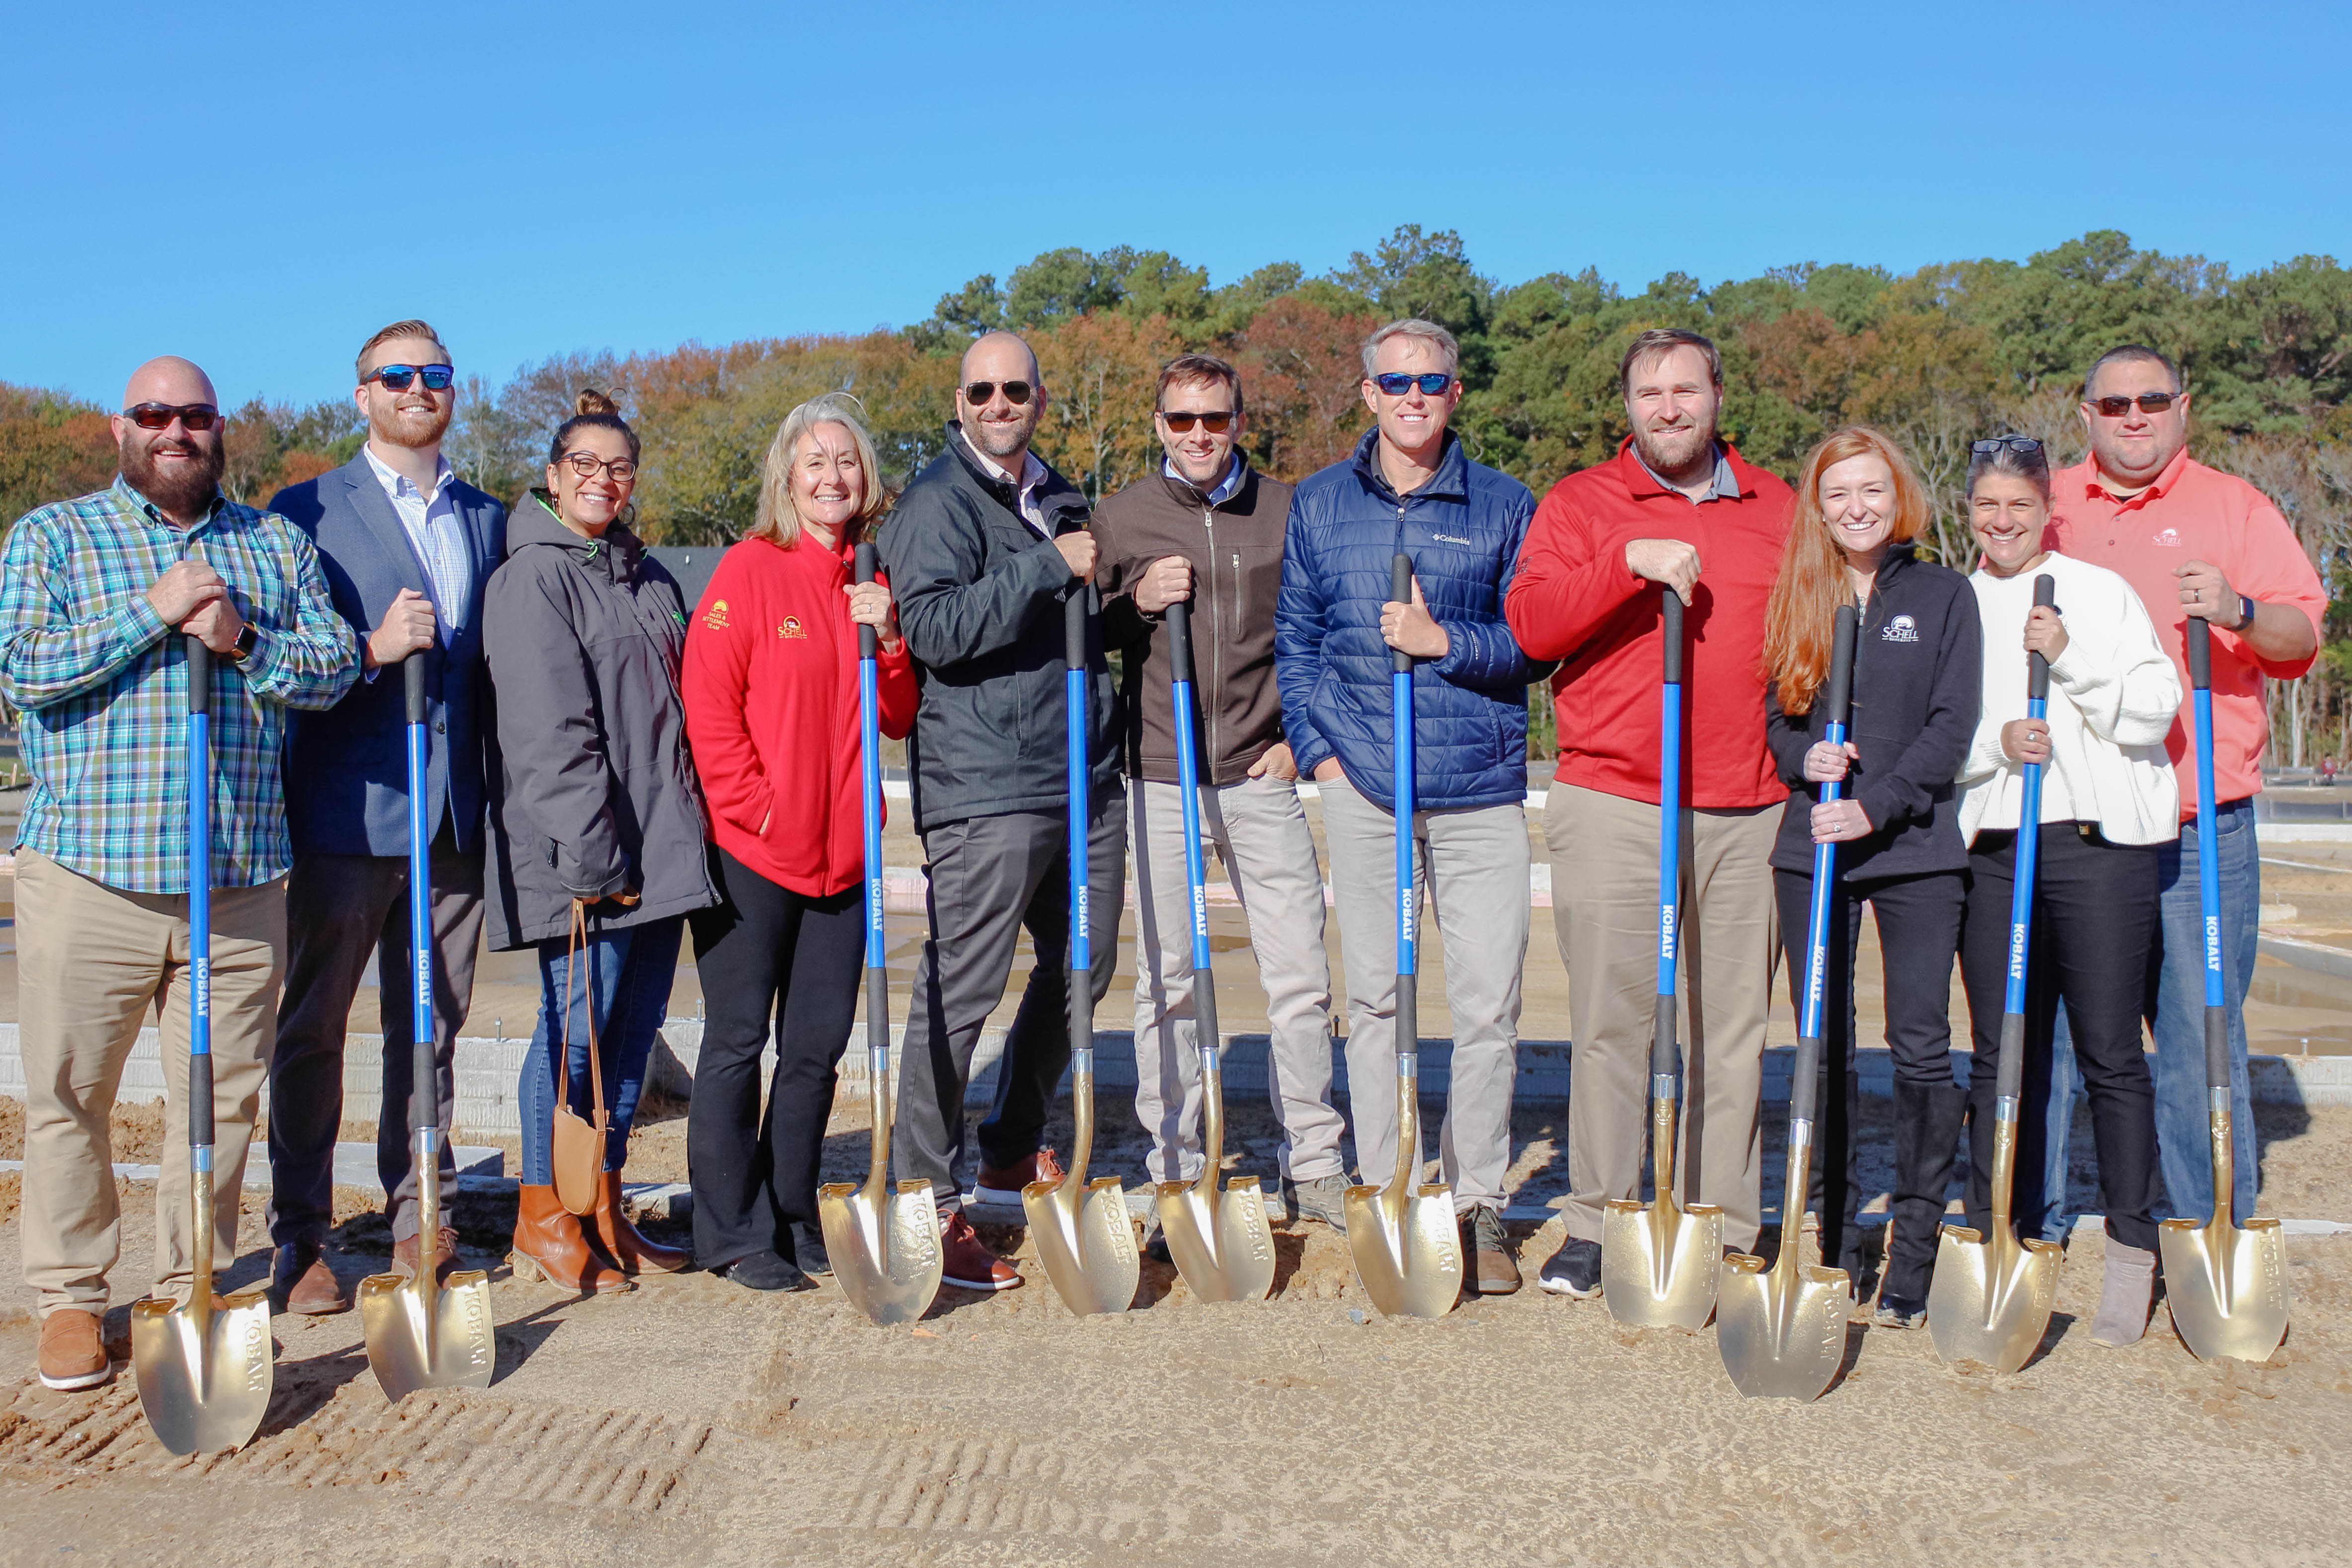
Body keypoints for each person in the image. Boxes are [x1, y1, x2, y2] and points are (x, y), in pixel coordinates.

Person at [0, 357, 359, 1391]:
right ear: (123, 428)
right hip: (90, 877)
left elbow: (334, 668)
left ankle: (185, 1281)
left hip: (238, 882)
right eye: (155, 414)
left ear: (217, 430)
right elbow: (23, 668)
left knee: (222, 1098)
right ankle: (71, 1297)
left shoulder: (274, 545)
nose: (176, 431)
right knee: (72, 1092)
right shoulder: (54, 538)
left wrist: (239, 636)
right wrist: (151, 612)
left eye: (194, 416)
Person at [1505, 328, 1795, 1297]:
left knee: (1733, 1029)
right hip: (1616, 798)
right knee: (1611, 1022)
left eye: (1684, 389)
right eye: (1647, 393)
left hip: (1749, 806)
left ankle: (1723, 1219)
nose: (1666, 408)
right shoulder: (1583, 503)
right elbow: (1533, 628)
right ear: (1625, 406)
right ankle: (1596, 1218)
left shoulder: (1780, 510)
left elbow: (1814, 644)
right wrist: (1625, 560)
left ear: (1717, 394)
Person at [1274, 318, 1544, 1294]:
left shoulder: (1505, 504)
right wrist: (1320, 756)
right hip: (1366, 789)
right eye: (1395, 381)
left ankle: (1477, 1204)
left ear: (1455, 392)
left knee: (1487, 1007)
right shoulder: (1319, 504)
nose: (1413, 395)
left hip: (1476, 790)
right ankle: (1392, 1187)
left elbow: (1533, 641)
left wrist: (1443, 642)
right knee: (1378, 999)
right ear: (1369, 393)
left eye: (1431, 381)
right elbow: (1295, 644)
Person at [2047, 345, 2324, 1226]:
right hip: (2073, 817)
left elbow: (2302, 637)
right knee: (2051, 1036)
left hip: (2197, 815)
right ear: (2084, 412)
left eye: (2152, 401)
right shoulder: (2046, 504)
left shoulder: (2236, 507)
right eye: (2116, 403)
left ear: (2184, 409)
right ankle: (2034, 1222)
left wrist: (2240, 609)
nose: (2135, 417)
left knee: (2198, 1033)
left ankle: (2209, 1228)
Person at [264, 319, 509, 1315]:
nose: (418, 388)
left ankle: (421, 1211)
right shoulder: (305, 510)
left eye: (435, 375)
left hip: (452, 815)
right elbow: (277, 659)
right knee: (316, 1026)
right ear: (361, 395)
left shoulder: (488, 515)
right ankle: (301, 1234)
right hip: (347, 810)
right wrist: (369, 649)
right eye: (397, 376)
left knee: (433, 1026)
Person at [879, 330, 1122, 1293]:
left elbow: (1076, 613)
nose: (997, 403)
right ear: (960, 399)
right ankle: (922, 1200)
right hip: (986, 784)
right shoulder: (934, 503)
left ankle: (1010, 1145)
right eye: (981, 390)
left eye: (1014, 389)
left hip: (1079, 775)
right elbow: (935, 631)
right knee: (958, 993)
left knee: (1085, 963)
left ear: (1039, 397)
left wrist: (1123, 592)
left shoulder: (1058, 493)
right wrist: (1045, 568)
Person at [1097, 354, 1344, 1233]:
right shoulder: (1124, 514)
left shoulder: (1287, 508)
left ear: (1240, 419)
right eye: (1181, 420)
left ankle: (1312, 1161)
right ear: (1158, 422)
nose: (1198, 435)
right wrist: (1133, 597)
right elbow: (1082, 632)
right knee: (1165, 979)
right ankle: (1175, 1166)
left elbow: (1322, 630)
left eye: (1215, 418)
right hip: (1164, 774)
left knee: (1300, 978)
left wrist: (1298, 742)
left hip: (1256, 771)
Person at [681, 394, 915, 1291]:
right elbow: (710, 708)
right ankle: (730, 1231)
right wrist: (760, 810)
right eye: (815, 461)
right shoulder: (750, 569)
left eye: (847, 461)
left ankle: (788, 1210)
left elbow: (896, 712)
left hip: (846, 857)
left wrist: (888, 638)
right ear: (788, 474)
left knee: (816, 1047)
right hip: (758, 852)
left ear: (866, 480)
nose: (832, 477)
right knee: (739, 1039)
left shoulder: (869, 577)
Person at [484, 390, 714, 1292]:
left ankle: (603, 1200)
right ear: (551, 475)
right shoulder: (534, 579)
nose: (602, 480)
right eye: (584, 464)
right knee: (573, 1038)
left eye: (618, 468)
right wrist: (590, 857)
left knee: (629, 1041)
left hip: (661, 857)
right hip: (591, 862)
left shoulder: (648, 577)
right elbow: (550, 734)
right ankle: (544, 1213)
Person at [1956, 435, 2180, 1346]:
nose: (2002, 522)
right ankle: (2002, 1231)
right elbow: (1938, 738)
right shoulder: (1956, 602)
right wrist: (1996, 745)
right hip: (1997, 848)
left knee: (2111, 1056)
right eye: (1985, 506)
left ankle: (2134, 1248)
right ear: (1967, 508)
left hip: (2096, 848)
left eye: (2019, 505)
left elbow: (2156, 708)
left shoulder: (2098, 593)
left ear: (2047, 507)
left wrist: (2070, 654)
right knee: (2003, 1053)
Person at [1760, 426, 1978, 1325]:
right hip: (1812, 847)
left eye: (1873, 491)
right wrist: (1807, 760)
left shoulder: (1941, 593)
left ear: (1900, 498)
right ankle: (1839, 1237)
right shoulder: (1800, 592)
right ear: (1817, 503)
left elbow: (1950, 726)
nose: (1857, 507)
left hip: (1912, 847)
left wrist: (1877, 803)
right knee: (1825, 1048)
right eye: (1839, 492)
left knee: (1921, 1044)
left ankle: (1915, 1249)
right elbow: (1778, 721)